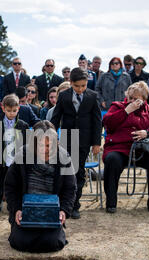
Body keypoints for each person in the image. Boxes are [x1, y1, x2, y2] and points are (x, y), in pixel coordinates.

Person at [5, 120, 76, 253]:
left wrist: (63, 211)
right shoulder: (22, 155)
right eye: (41, 145)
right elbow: (10, 187)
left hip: (51, 214)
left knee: (53, 243)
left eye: (49, 145)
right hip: (25, 212)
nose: (45, 150)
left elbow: (70, 188)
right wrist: (16, 210)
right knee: (20, 241)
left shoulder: (63, 157)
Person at [102, 81, 149, 214]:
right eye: (130, 98)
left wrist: (148, 132)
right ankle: (111, 202)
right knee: (112, 159)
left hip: (143, 150)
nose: (132, 101)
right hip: (119, 148)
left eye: (136, 99)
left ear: (144, 99)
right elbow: (107, 123)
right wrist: (126, 111)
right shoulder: (117, 106)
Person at [51, 68, 102, 219]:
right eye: (77, 86)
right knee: (66, 170)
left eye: (83, 86)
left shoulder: (92, 96)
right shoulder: (64, 96)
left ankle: (75, 205)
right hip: (68, 137)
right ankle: (63, 203)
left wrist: (96, 143)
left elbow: (97, 121)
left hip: (84, 140)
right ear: (71, 83)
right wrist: (51, 135)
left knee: (78, 171)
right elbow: (56, 117)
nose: (80, 89)